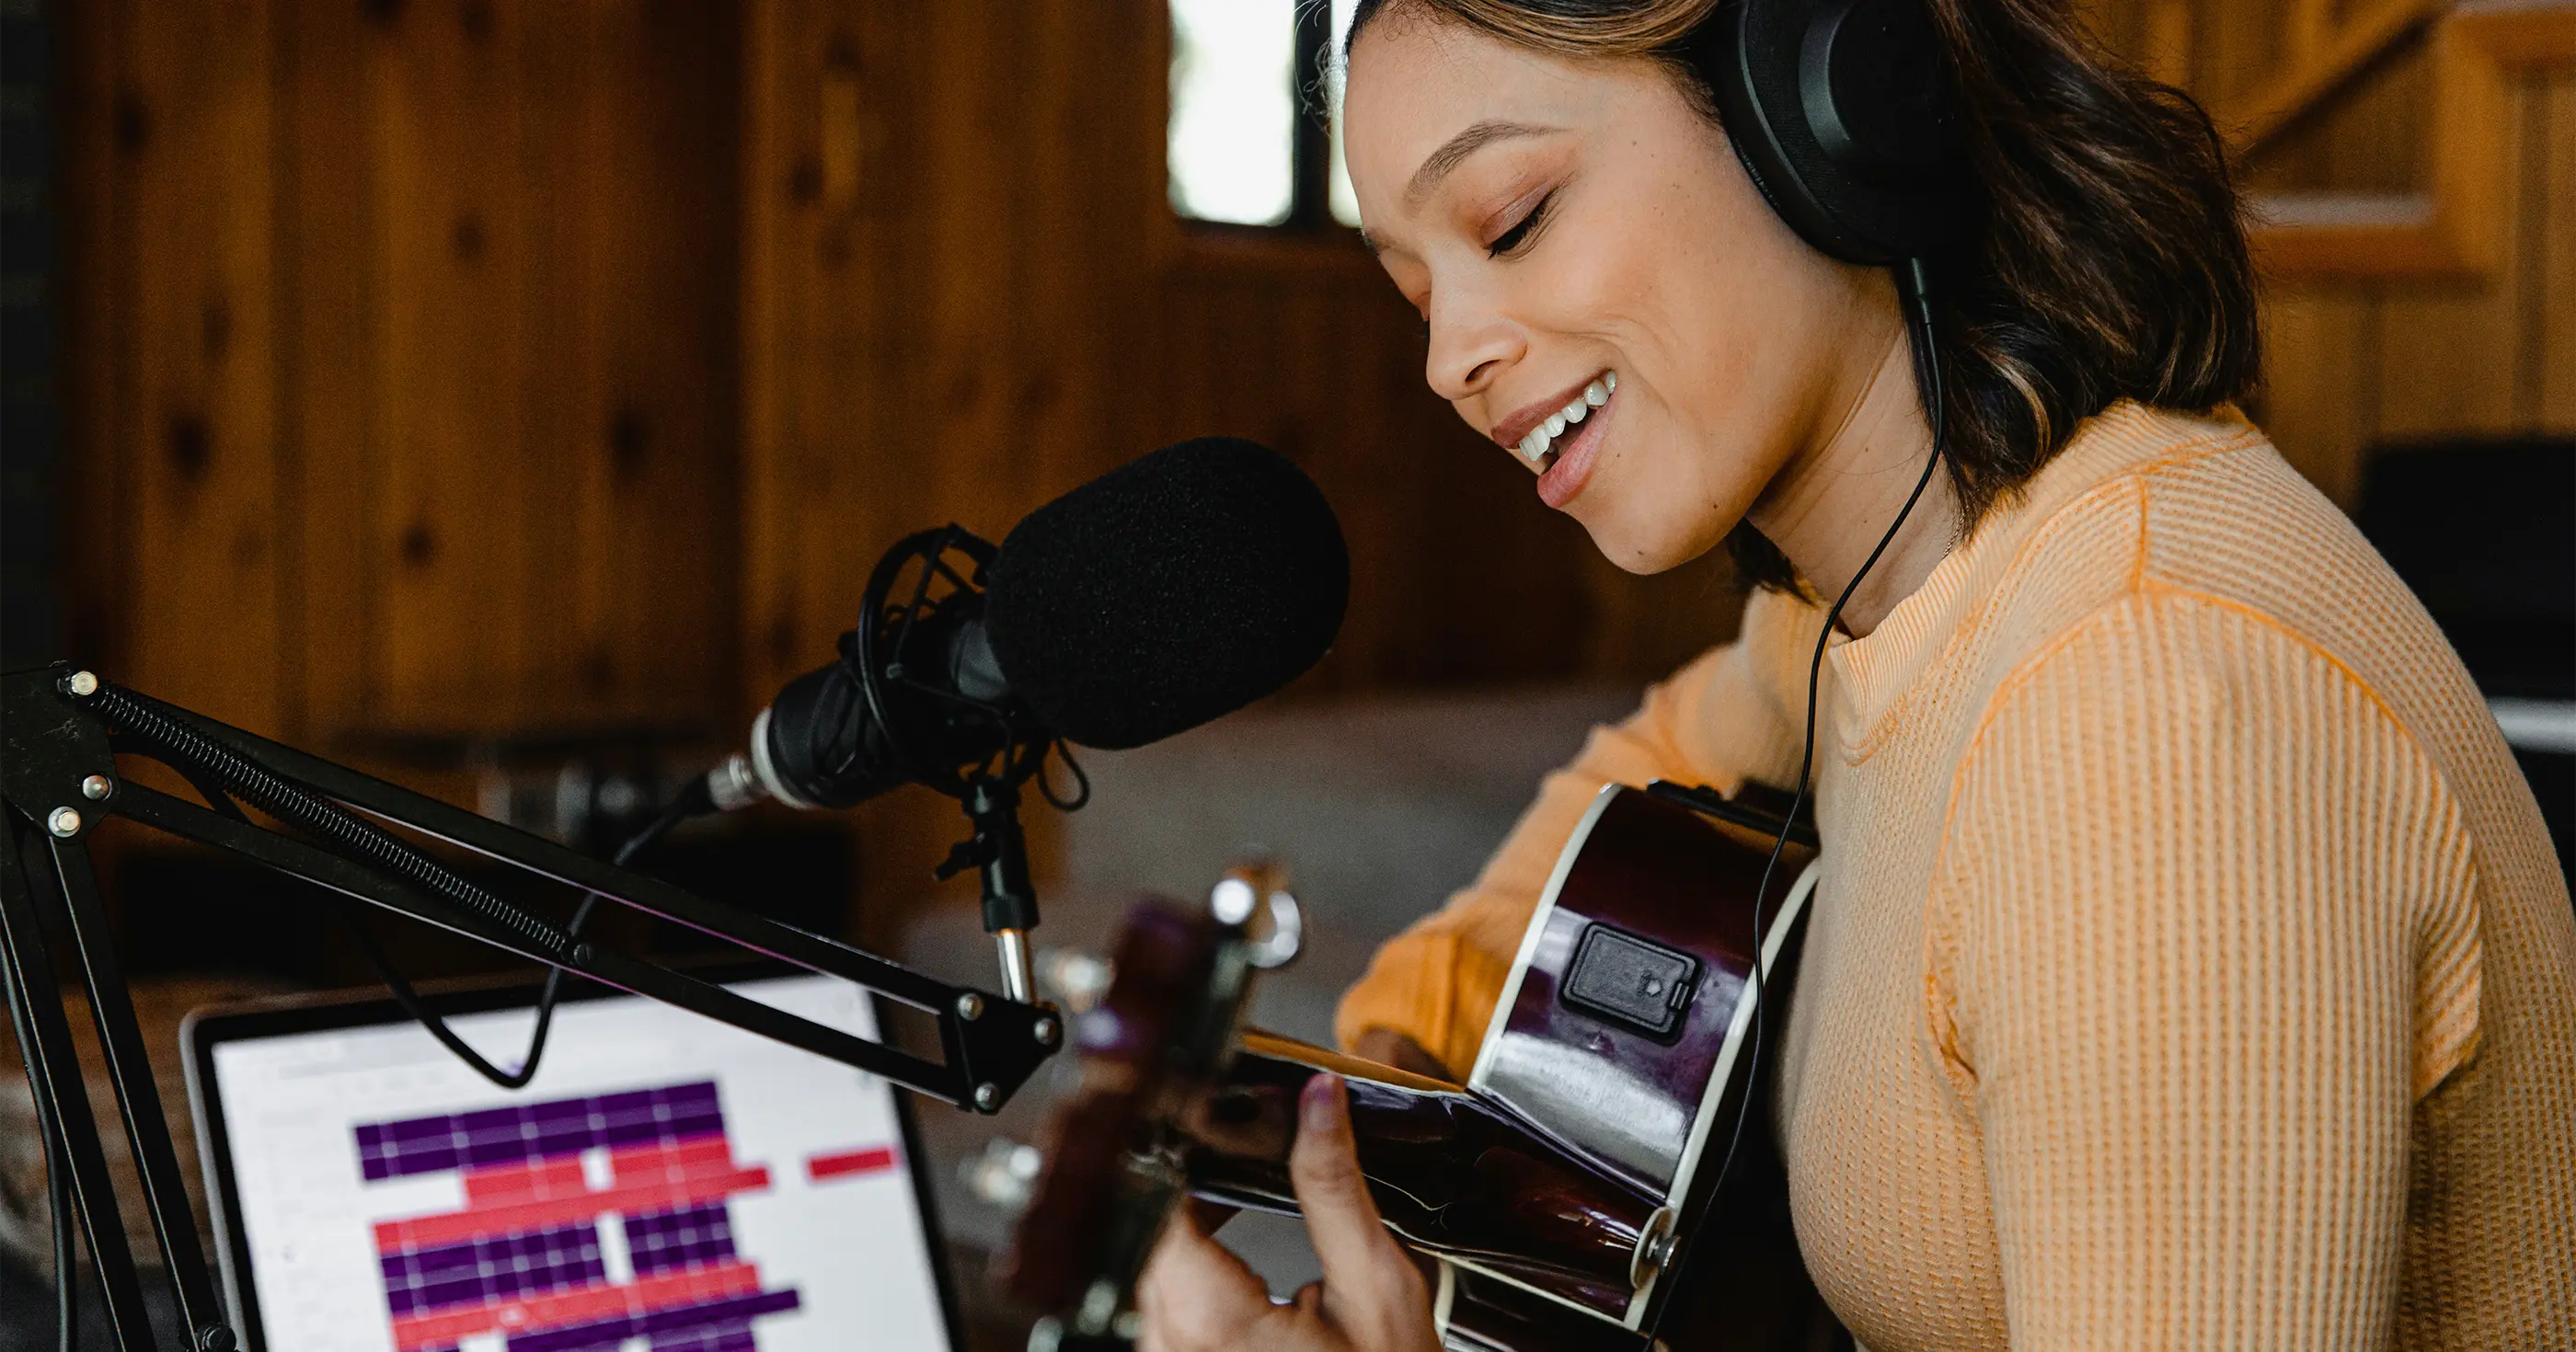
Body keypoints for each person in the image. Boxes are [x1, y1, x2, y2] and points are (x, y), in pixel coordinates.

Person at [1134, 0, 2576, 1349]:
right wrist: (1397, 1065)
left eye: (1511, 222)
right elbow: (1661, 748)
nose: (1450, 358)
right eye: (1413, 293)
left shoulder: (2144, 699)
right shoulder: (1879, 610)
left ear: (1822, 103)